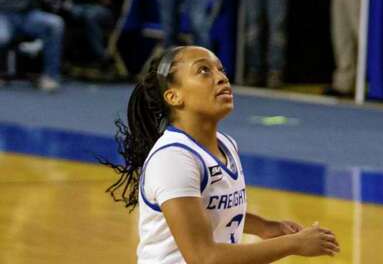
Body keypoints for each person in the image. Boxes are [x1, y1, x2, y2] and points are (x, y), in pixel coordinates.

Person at [103, 46, 339, 262]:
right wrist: (293, 244)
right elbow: (204, 257)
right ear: (174, 96)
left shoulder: (226, 144)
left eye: (220, 69)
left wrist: (266, 228)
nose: (221, 78)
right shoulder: (173, 158)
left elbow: (212, 211)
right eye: (203, 71)